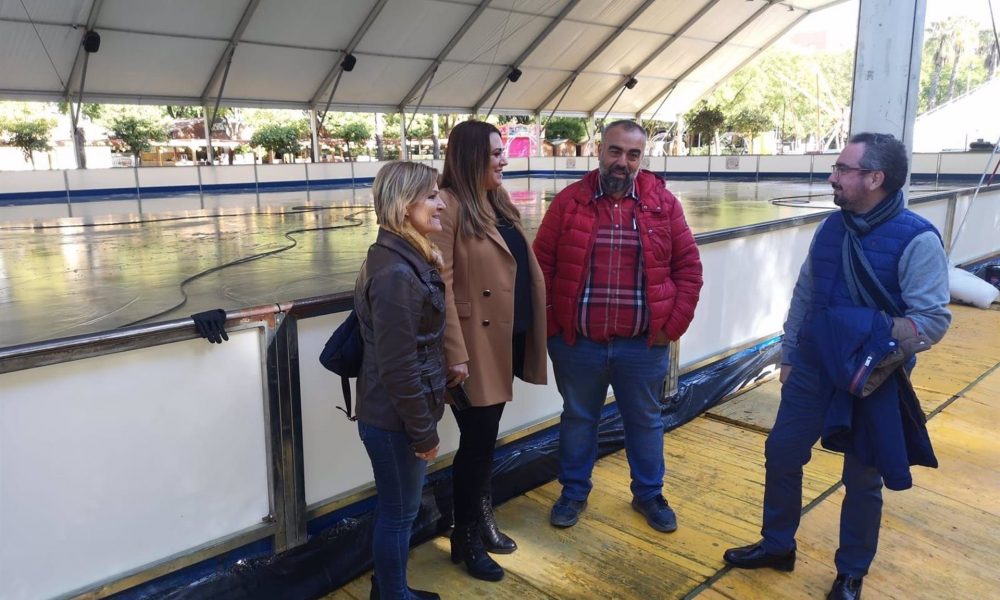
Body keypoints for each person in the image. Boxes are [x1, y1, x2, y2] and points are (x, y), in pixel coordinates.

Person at [723, 133, 952, 600]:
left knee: (863, 478)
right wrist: (789, 354)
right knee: (782, 453)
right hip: (810, 368)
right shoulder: (832, 227)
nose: (833, 176)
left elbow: (932, 321)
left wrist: (867, 344)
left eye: (843, 169)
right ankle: (777, 545)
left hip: (872, 379)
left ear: (875, 178)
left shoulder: (919, 239)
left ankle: (851, 572)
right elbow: (805, 294)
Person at [532, 119, 703, 534]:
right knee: (578, 419)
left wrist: (670, 328)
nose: (622, 162)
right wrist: (555, 326)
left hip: (642, 345)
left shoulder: (663, 205)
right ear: (599, 150)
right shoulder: (569, 203)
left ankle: (649, 494)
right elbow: (541, 267)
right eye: (615, 151)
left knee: (645, 421)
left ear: (641, 158)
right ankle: (573, 492)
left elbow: (689, 270)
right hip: (578, 344)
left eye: (633, 154)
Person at [429, 120, 548, 582]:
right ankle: (466, 539)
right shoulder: (448, 207)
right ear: (471, 157)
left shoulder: (497, 202)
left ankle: (482, 521)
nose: (504, 159)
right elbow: (440, 285)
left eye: (503, 152)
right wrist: (454, 353)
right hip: (473, 347)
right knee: (476, 446)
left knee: (484, 441)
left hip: (505, 338)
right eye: (496, 153)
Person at [354, 161, 447, 600]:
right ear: (404, 204)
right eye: (431, 196)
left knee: (401, 510)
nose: (441, 204)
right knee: (398, 513)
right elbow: (398, 365)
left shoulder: (400, 257)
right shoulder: (396, 272)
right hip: (394, 420)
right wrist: (423, 432)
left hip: (397, 414)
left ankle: (390, 589)